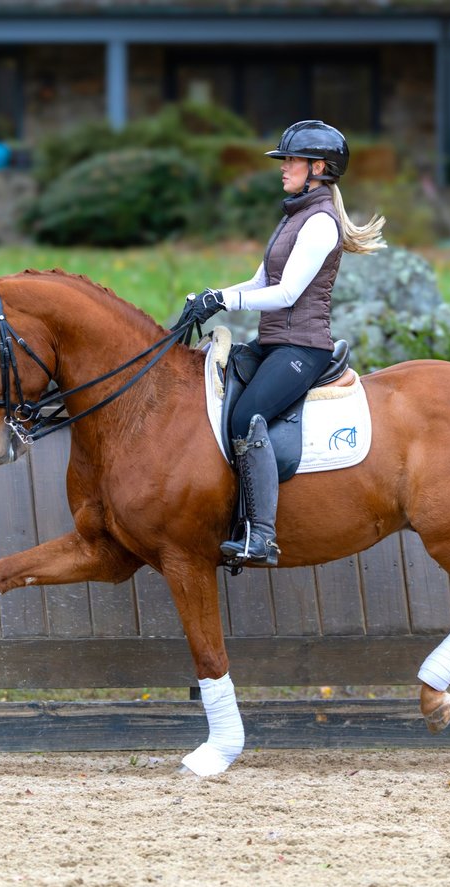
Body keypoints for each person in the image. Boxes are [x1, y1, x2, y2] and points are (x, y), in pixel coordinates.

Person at [180, 119, 386, 567]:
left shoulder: (319, 224)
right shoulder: (293, 217)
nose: (283, 167)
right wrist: (207, 298)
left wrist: (226, 299)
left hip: (302, 350)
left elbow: (288, 293)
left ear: (319, 167)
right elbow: (260, 281)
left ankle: (262, 535)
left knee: (245, 416)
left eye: (291, 160)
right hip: (272, 343)